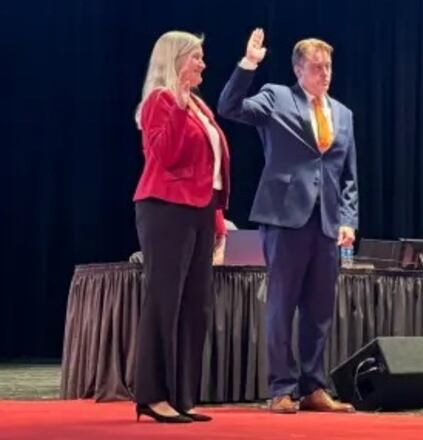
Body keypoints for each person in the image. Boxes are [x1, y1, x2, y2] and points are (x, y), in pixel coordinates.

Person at [218, 28, 358, 414]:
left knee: (319, 310)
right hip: (285, 218)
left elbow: (349, 175)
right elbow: (229, 107)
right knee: (282, 305)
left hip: (327, 223)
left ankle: (314, 387)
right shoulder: (277, 97)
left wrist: (349, 219)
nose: (325, 73)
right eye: (317, 67)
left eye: (328, 66)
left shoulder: (343, 114)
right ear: (298, 69)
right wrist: (248, 64)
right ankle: (282, 388)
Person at [132, 30, 230, 423]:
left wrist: (218, 217)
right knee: (164, 301)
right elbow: (167, 155)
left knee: (195, 306)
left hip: (200, 210)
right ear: (175, 61)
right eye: (196, 58)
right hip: (165, 209)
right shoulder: (161, 101)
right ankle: (153, 396)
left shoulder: (198, 106)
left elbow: (214, 166)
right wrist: (178, 101)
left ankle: (183, 395)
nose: (203, 65)